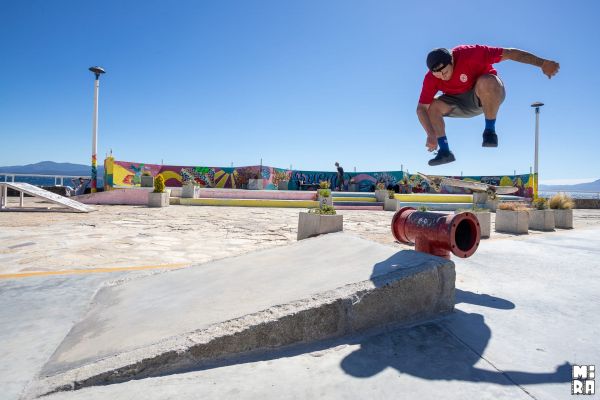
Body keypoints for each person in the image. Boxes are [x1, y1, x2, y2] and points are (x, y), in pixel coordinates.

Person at [417, 45, 560, 166]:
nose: (443, 77)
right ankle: (444, 151)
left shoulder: (471, 53)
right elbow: (421, 109)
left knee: (487, 81)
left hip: (484, 96)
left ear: (452, 60)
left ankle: (490, 131)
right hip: (456, 103)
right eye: (438, 75)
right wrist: (430, 134)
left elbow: (510, 54)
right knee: (431, 106)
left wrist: (542, 63)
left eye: (445, 72)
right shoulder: (430, 78)